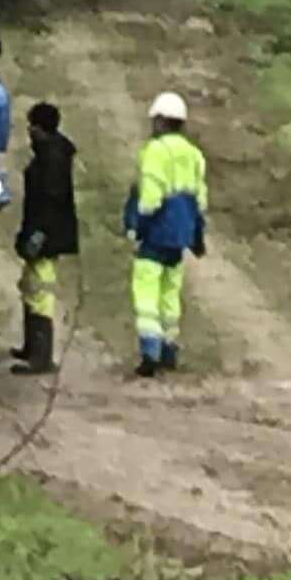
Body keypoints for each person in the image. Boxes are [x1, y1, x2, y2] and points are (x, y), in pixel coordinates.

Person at [121, 89, 208, 379]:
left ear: (159, 121)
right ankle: (170, 347)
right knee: (171, 292)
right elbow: (200, 199)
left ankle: (150, 351)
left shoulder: (155, 152)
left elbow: (150, 198)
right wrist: (198, 236)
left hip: (156, 232)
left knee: (146, 291)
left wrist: (138, 227)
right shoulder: (194, 154)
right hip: (180, 235)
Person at [10, 99, 79, 375]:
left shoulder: (52, 159)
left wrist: (37, 236)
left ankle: (41, 356)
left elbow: (50, 201)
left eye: (32, 126)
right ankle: (31, 346)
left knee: (40, 291)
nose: (29, 132)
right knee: (30, 286)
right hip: (44, 231)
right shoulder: (49, 153)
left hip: (47, 235)